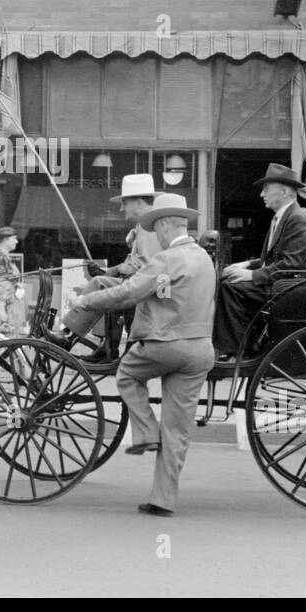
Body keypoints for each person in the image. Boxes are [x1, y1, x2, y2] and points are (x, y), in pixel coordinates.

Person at [62, 192, 215, 517]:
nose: (155, 235)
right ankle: (163, 500)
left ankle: (145, 433)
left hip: (166, 345)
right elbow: (168, 292)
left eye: (157, 228)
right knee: (176, 428)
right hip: (200, 350)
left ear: (165, 226)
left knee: (128, 374)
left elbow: (128, 292)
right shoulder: (203, 258)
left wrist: (85, 301)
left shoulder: (166, 260)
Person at [213, 163, 306, 359]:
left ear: (284, 191)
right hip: (286, 283)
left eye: (266, 189)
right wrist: (248, 264)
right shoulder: (284, 217)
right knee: (228, 281)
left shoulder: (298, 219)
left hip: (295, 287)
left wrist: (252, 275)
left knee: (231, 288)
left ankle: (238, 349)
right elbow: (275, 258)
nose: (262, 194)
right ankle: (246, 343)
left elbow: (291, 264)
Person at [57, 173, 159, 360]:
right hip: (142, 286)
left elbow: (146, 265)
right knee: (104, 282)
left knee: (99, 284)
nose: (121, 209)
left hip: (146, 289)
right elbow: (133, 262)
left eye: (124, 203)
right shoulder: (144, 225)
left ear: (138, 203)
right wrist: (108, 271)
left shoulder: (149, 226)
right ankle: (106, 347)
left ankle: (68, 336)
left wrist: (108, 274)